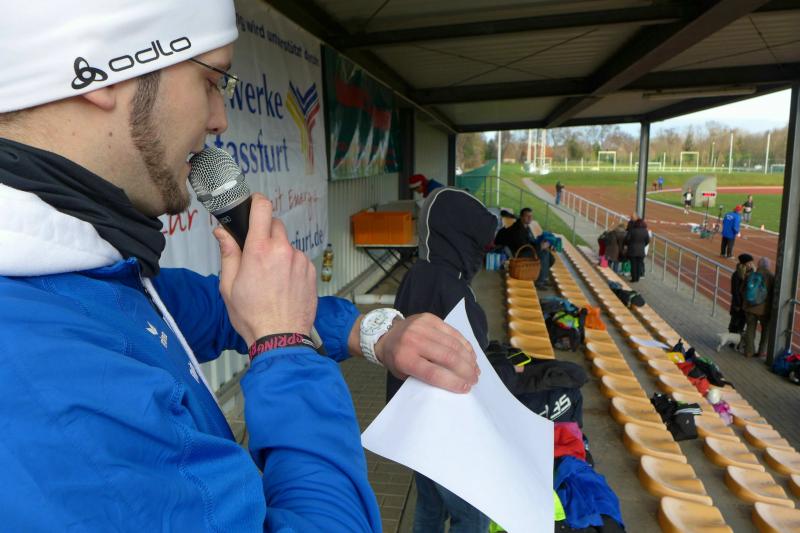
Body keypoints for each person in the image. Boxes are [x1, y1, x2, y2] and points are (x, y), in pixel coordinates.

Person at [0, 3, 480, 530]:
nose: (220, 119)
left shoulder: (73, 274)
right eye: (210, 80)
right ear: (104, 68)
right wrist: (286, 348)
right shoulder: (46, 388)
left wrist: (374, 333)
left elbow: (217, 307)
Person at [387, 187, 497, 532]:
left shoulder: (418, 273)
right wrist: (508, 368)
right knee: (471, 514)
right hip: (448, 427)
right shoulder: (453, 288)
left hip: (414, 419)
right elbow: (475, 368)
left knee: (430, 504)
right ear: (462, 238)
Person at [743, 257, 775, 358]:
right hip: (765, 309)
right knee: (766, 330)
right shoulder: (771, 277)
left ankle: (749, 351)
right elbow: (774, 293)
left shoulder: (751, 275)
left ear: (758, 264)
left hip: (750, 307)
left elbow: (742, 290)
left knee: (750, 329)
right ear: (768, 266)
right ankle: (761, 351)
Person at [729, 253, 754, 334]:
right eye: (749, 263)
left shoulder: (751, 274)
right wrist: (738, 304)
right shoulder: (737, 275)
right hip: (739, 304)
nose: (751, 265)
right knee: (735, 322)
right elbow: (735, 291)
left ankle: (738, 337)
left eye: (751, 263)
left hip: (746, 304)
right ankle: (732, 337)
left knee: (742, 322)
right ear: (744, 264)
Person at [624, 218, 650, 283]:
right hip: (641, 251)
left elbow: (627, 239)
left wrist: (629, 244)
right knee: (639, 265)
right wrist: (643, 245)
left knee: (633, 265)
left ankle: (634, 278)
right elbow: (647, 241)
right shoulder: (645, 231)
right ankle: (637, 278)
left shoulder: (632, 230)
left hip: (632, 250)